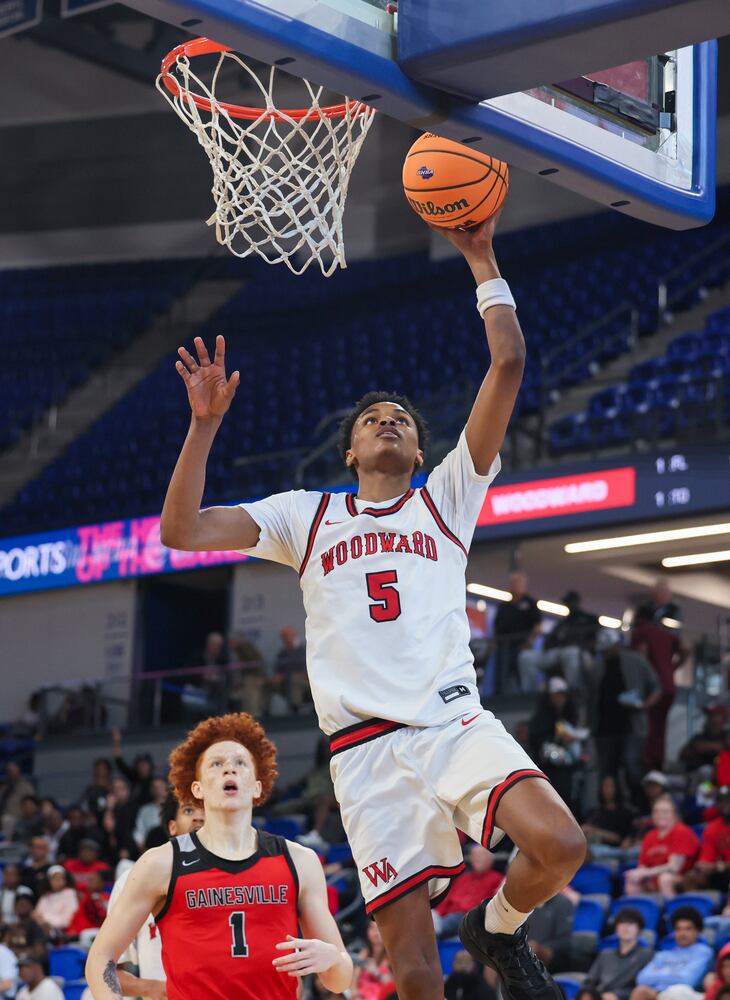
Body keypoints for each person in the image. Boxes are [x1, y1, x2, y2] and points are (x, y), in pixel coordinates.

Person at [158, 211, 586, 1000]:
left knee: (561, 843)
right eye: (370, 422)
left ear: (421, 452)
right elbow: (180, 529)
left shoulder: (447, 501)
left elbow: (510, 362)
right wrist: (202, 427)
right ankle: (474, 939)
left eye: (402, 422)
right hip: (366, 754)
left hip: (453, 722)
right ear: (350, 451)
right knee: (417, 976)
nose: (387, 424)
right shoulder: (305, 515)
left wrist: (483, 256)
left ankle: (494, 928)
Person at [86, 713, 353, 999]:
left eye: (241, 763)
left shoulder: (299, 861)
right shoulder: (161, 863)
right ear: (197, 788)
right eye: (216, 764)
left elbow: (339, 980)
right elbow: (100, 959)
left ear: (258, 786)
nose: (230, 770)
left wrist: (334, 960)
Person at [106, 788, 205, 999]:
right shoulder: (132, 881)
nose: (199, 817)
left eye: (207, 810)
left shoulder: (242, 878)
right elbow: (105, 967)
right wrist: (152, 988)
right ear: (172, 826)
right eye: (188, 810)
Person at [587, 645, 661, 807]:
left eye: (608, 649)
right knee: (606, 773)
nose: (606, 653)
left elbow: (656, 687)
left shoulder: (635, 660)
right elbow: (590, 698)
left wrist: (644, 705)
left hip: (631, 727)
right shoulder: (597, 667)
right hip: (604, 729)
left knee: (631, 764)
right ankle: (611, 809)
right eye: (603, 651)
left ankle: (639, 804)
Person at [631, 605, 687, 771]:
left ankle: (649, 765)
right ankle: (657, 764)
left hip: (653, 688)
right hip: (668, 687)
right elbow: (686, 650)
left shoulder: (642, 632)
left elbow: (640, 654)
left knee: (648, 728)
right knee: (659, 729)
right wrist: (672, 668)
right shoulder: (665, 634)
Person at [528, 678, 585, 815]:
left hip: (568, 770)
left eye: (563, 695)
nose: (560, 699)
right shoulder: (540, 719)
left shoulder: (570, 717)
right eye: (556, 695)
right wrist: (558, 738)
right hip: (548, 772)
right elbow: (536, 741)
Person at [624, 796, 699, 899]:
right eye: (657, 812)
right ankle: (638, 912)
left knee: (665, 878)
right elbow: (643, 866)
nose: (660, 815)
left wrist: (647, 873)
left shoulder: (681, 831)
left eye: (665, 812)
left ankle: (672, 911)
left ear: (674, 814)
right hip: (654, 880)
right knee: (632, 880)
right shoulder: (649, 836)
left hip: (683, 880)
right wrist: (638, 874)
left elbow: (674, 867)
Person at [630, 907, 712, 999]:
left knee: (676, 992)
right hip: (659, 994)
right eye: (678, 929)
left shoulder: (703, 952)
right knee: (641, 991)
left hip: (686, 994)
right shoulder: (664, 954)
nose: (682, 933)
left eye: (688, 929)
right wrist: (675, 975)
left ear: (697, 931)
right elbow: (641, 979)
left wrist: (659, 973)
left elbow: (687, 980)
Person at [433, 845, 504, 938]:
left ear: (490, 860)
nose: (477, 859)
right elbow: (447, 899)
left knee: (447, 922)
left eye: (481, 855)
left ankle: (434, 930)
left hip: (471, 918)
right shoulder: (462, 878)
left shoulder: (497, 879)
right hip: (449, 915)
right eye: (474, 856)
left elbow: (493, 904)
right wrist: (437, 913)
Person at [583, 906, 653, 1000]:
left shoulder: (647, 955)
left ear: (639, 929)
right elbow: (589, 982)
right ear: (616, 928)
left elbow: (645, 987)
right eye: (622, 923)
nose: (626, 927)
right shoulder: (605, 954)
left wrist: (619, 995)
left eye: (631, 923)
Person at [493, 572, 542, 692]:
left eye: (518, 583)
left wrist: (528, 643)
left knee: (521, 673)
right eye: (513, 583)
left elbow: (537, 626)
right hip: (504, 647)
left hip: (521, 646)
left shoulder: (530, 603)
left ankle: (524, 696)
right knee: (501, 676)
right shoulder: (503, 606)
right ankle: (500, 699)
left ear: (524, 585)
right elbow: (496, 627)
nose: (515, 586)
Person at [543, 591, 599, 689]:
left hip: (582, 653)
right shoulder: (564, 622)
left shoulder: (589, 619)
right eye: (567, 602)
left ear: (576, 602)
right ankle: (530, 691)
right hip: (561, 651)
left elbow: (596, 640)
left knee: (571, 652)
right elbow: (550, 639)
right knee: (527, 657)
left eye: (570, 602)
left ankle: (574, 691)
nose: (568, 605)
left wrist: (586, 646)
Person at [682, 786, 730, 892]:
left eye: (728, 801)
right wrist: (702, 867)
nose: (725, 805)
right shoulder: (712, 828)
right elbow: (706, 859)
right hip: (719, 874)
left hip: (723, 869)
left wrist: (719, 866)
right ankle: (695, 906)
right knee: (691, 877)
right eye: (721, 801)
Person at [582, 776, 635, 860]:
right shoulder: (594, 812)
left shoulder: (625, 812)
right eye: (605, 786)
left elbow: (620, 838)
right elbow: (585, 830)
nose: (607, 789)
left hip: (616, 851)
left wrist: (595, 831)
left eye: (610, 786)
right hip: (594, 849)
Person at [523, 892, 575, 975]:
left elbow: (564, 941)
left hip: (554, 957)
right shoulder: (522, 901)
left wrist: (540, 948)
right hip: (523, 950)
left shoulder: (562, 902)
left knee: (531, 949)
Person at [33, 865, 78, 942]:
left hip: (62, 932)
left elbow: (68, 920)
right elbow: (36, 914)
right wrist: (42, 921)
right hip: (43, 928)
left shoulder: (70, 894)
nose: (59, 881)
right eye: (55, 879)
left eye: (61, 878)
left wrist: (46, 921)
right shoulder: (45, 896)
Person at [353, 922, 396, 1000]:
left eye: (378, 928)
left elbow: (393, 985)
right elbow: (354, 981)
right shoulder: (364, 954)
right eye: (371, 928)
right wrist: (355, 995)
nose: (375, 932)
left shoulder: (391, 956)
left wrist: (376, 972)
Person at [679, 704, 729, 771]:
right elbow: (683, 753)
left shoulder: (726, 735)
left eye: (715, 715)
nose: (711, 718)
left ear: (723, 718)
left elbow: (725, 749)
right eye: (709, 715)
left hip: (719, 777)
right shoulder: (699, 736)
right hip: (697, 774)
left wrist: (705, 747)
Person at [273, 626, 310, 713]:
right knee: (266, 684)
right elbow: (278, 670)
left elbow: (305, 671)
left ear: (294, 635)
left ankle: (295, 710)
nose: (285, 639)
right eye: (283, 637)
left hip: (306, 681)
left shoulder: (305, 650)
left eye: (287, 636)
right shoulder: (282, 653)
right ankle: (263, 714)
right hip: (285, 683)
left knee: (295, 679)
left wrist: (285, 676)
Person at [5, 889, 46, 959]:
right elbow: (4, 948)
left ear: (32, 907)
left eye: (26, 903)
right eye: (20, 903)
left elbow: (39, 952)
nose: (22, 906)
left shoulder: (36, 927)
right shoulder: (10, 927)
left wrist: (16, 952)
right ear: (15, 907)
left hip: (30, 965)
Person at [0, 762, 35, 840]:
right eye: (9, 772)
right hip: (3, 817)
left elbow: (32, 806)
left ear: (19, 772)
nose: (11, 774)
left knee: (7, 820)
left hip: (19, 817)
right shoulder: (4, 788)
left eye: (13, 771)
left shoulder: (26, 787)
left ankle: (6, 844)